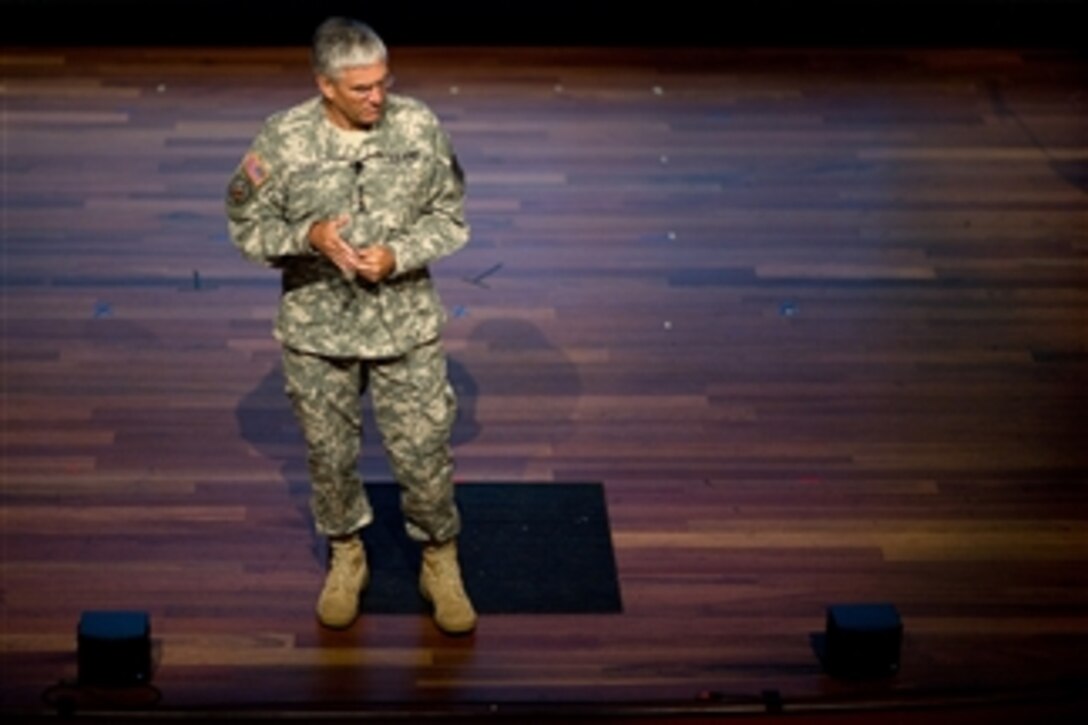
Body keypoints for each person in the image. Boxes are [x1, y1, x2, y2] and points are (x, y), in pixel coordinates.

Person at [225, 16, 475, 635]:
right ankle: (346, 555)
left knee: (423, 454)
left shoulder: (418, 125)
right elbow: (245, 228)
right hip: (319, 329)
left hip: (405, 324)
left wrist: (400, 255)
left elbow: (452, 217)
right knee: (329, 456)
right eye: (361, 89)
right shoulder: (281, 141)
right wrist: (307, 237)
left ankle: (439, 558)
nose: (377, 98)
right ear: (325, 86)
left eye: (383, 83)